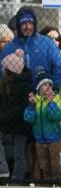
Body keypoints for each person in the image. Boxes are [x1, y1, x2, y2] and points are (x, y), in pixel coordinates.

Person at [0, 7, 61, 90]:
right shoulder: (9, 47)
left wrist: (51, 88)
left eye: (30, 22)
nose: (27, 27)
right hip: (16, 97)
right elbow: (2, 72)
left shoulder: (48, 43)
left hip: (42, 97)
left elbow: (59, 67)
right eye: (23, 23)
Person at [23, 69, 61, 186]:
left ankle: (58, 183)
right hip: (40, 139)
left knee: (55, 164)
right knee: (44, 165)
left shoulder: (55, 99)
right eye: (44, 84)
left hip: (53, 139)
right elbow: (28, 118)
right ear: (38, 88)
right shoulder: (36, 100)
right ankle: (47, 184)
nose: (47, 87)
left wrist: (51, 102)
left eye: (49, 85)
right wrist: (31, 105)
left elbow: (54, 116)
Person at [0, 48, 32, 181]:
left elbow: (20, 108)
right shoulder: (9, 85)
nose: (2, 70)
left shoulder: (20, 86)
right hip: (15, 124)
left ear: (9, 70)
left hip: (17, 124)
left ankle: (12, 175)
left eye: (4, 67)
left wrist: (3, 117)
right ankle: (13, 175)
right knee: (20, 153)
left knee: (20, 153)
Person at [0, 24, 15, 178]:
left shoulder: (15, 60)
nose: (6, 44)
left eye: (9, 41)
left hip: (10, 105)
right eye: (3, 41)